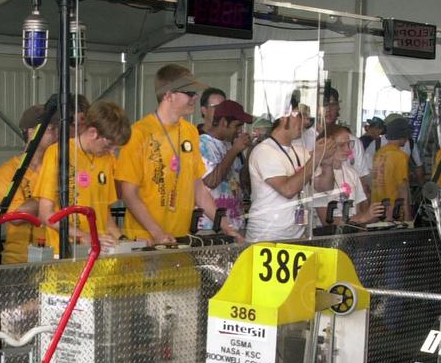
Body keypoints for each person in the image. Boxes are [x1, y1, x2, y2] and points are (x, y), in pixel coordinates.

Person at [115, 64, 219, 243]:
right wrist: (158, 233)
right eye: (189, 92)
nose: (195, 97)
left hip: (179, 238)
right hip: (145, 240)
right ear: (169, 95)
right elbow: (129, 193)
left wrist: (224, 225)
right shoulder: (138, 133)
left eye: (195, 92)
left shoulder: (190, 132)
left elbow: (198, 187)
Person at [35, 100, 131, 249]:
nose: (112, 152)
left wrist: (123, 240)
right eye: (109, 145)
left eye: (115, 149)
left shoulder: (107, 159)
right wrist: (83, 236)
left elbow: (104, 212)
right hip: (65, 255)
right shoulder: (58, 153)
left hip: (100, 252)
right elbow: (46, 214)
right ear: (93, 133)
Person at [244, 110, 330, 244]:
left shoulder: (301, 151)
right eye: (300, 116)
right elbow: (287, 190)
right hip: (267, 236)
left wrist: (327, 161)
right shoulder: (264, 151)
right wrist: (315, 159)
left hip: (297, 235)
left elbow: (324, 186)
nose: (305, 122)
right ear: (284, 117)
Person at [0, 104, 58, 264]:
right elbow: (16, 216)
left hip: (55, 255)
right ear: (31, 132)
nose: (57, 135)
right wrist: (49, 197)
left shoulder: (61, 169)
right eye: (51, 129)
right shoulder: (8, 171)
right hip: (20, 260)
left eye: (58, 129)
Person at [198, 98, 252, 239]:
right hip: (210, 227)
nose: (239, 131)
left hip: (234, 224)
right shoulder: (202, 144)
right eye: (237, 126)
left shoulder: (229, 145)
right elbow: (210, 182)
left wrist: (249, 151)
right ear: (223, 122)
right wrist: (234, 151)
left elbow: (243, 182)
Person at [311, 125, 384, 227]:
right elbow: (326, 222)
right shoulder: (317, 174)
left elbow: (357, 212)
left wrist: (370, 217)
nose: (348, 149)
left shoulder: (352, 173)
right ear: (327, 147)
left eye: (349, 144)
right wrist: (363, 218)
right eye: (341, 145)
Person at [371, 115, 412, 222]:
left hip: (377, 210)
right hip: (394, 212)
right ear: (403, 136)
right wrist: (407, 215)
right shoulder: (400, 156)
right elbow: (402, 188)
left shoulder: (379, 153)